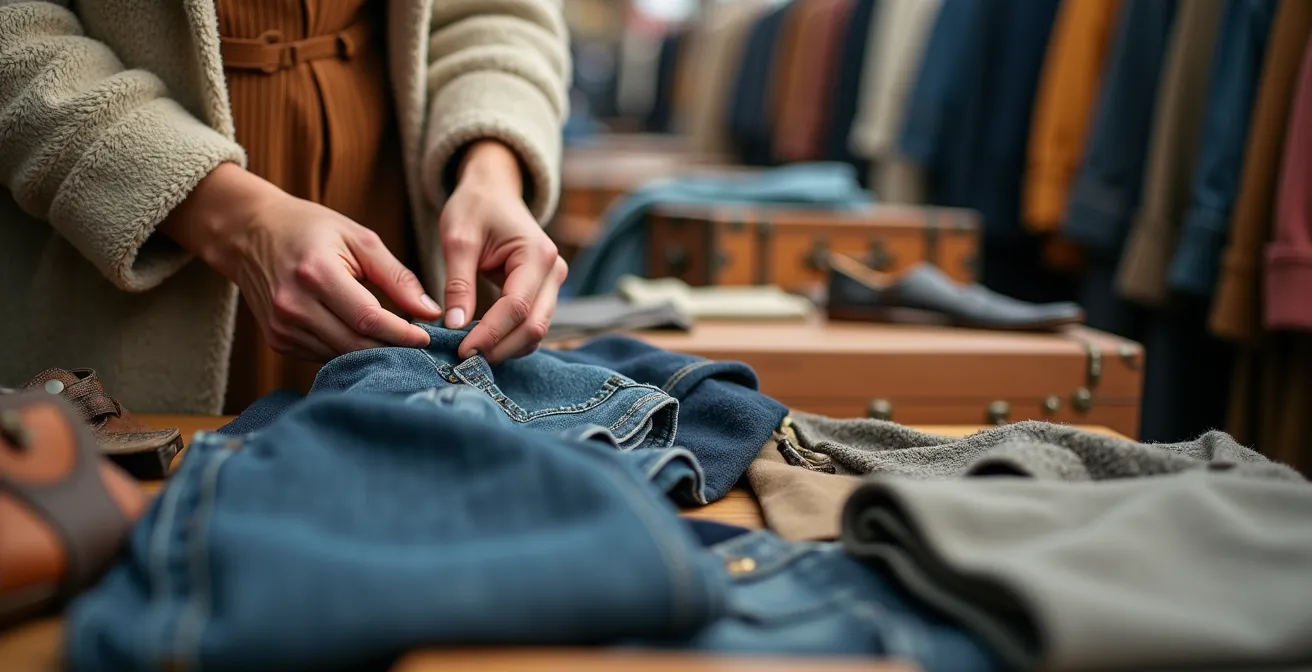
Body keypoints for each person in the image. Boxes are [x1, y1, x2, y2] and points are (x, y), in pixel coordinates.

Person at [0, 0, 571, 414]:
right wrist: (237, 221)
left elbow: (498, 14)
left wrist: (491, 169)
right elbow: (16, 36)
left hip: (390, 204)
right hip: (114, 272)